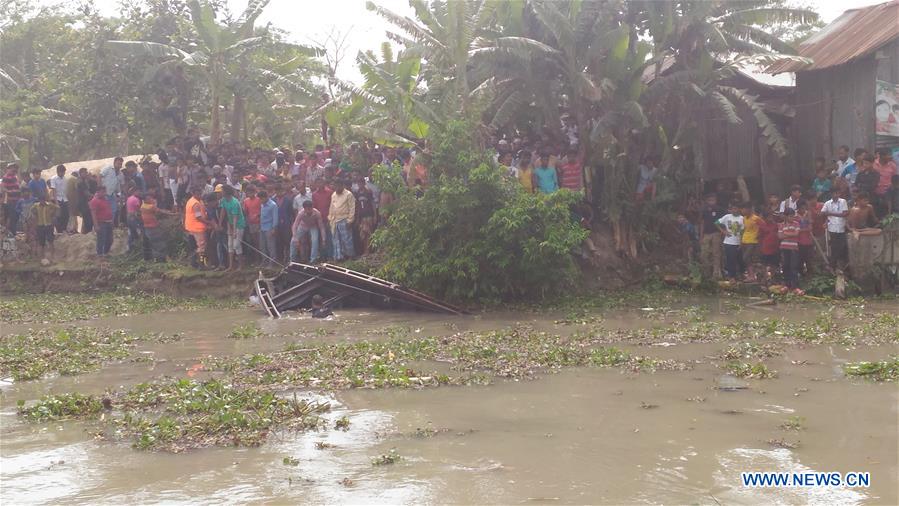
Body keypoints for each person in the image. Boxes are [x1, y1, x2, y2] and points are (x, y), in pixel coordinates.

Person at [140, 194, 176, 262]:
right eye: (149, 198)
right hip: (153, 227)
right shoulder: (150, 207)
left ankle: (149, 259)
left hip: (147, 228)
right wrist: (172, 214)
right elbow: (161, 211)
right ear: (145, 200)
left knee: (151, 244)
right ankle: (160, 259)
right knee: (159, 244)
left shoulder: (142, 206)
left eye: (151, 198)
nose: (151, 199)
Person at [184, 186, 213, 268]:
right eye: (198, 194)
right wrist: (209, 223)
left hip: (191, 227)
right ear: (193, 193)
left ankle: (194, 263)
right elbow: (199, 217)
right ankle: (201, 264)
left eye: (200, 193)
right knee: (202, 247)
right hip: (198, 228)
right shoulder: (195, 204)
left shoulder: (191, 201)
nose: (200, 195)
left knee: (194, 247)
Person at [821, 189, 849, 270]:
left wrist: (830, 213)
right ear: (831, 194)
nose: (835, 195)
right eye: (833, 193)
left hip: (841, 227)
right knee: (834, 247)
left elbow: (845, 214)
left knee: (841, 247)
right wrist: (827, 219)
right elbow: (822, 213)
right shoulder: (827, 203)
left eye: (836, 193)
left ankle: (834, 264)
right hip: (832, 228)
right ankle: (833, 265)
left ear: (839, 193)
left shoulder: (843, 201)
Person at [220, 185, 246, 271]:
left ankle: (241, 265)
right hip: (230, 224)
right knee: (230, 245)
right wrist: (220, 223)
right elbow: (223, 212)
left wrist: (234, 231)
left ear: (226, 192)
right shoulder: (223, 200)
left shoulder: (235, 202)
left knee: (236, 245)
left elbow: (235, 218)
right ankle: (231, 266)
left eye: (222, 191)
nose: (221, 192)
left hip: (239, 225)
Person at [716, 203, 744, 281]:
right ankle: (732, 276)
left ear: (739, 209)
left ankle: (741, 274)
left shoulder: (742, 218)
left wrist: (741, 242)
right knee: (730, 259)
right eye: (733, 209)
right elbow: (717, 223)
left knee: (740, 260)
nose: (734, 210)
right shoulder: (727, 217)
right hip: (728, 242)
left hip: (738, 242)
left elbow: (742, 231)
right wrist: (724, 231)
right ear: (731, 209)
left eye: (736, 208)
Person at [329, 179, 355, 261]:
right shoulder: (333, 195)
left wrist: (350, 220)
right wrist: (330, 218)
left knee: (347, 239)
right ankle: (340, 257)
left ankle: (350, 256)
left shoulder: (348, 194)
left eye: (338, 186)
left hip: (345, 219)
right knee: (337, 240)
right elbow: (331, 207)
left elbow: (352, 208)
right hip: (335, 220)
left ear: (342, 185)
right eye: (335, 186)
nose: (336, 188)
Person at [699, 193, 724, 279]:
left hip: (716, 233)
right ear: (707, 201)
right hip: (706, 234)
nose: (711, 201)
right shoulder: (704, 210)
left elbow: (723, 222)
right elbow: (702, 223)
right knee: (704, 253)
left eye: (713, 200)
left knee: (716, 253)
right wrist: (701, 236)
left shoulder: (719, 210)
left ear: (716, 200)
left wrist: (722, 232)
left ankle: (716, 273)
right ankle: (706, 273)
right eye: (709, 200)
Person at [778, 208, 802, 294]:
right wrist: (790, 234)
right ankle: (787, 285)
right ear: (785, 216)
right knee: (785, 266)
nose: (792, 218)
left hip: (793, 248)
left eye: (793, 216)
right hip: (784, 248)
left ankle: (795, 286)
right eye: (790, 216)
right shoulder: (781, 225)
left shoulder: (796, 224)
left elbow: (796, 234)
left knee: (794, 267)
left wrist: (786, 234)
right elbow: (779, 236)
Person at [31, 191, 59, 263]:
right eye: (41, 200)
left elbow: (57, 208)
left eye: (43, 200)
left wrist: (53, 215)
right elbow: (32, 211)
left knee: (51, 241)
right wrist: (35, 217)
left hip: (48, 225)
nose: (42, 201)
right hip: (40, 226)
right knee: (41, 243)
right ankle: (42, 258)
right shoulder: (36, 206)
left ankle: (52, 258)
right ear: (39, 200)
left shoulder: (49, 205)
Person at [353, 174, 376, 255]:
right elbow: (358, 206)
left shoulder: (368, 192)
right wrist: (357, 218)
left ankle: (368, 251)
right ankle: (364, 250)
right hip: (362, 217)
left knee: (368, 234)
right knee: (363, 235)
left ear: (363, 183)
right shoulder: (358, 192)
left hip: (369, 215)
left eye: (361, 183)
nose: (359, 185)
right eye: (358, 183)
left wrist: (375, 215)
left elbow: (372, 204)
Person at [89, 186, 114, 259]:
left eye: (105, 191)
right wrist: (96, 225)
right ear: (98, 192)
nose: (104, 193)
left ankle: (106, 253)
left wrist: (111, 221)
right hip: (101, 223)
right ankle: (100, 254)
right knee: (101, 239)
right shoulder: (95, 201)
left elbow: (109, 210)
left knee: (110, 239)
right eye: (103, 192)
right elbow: (93, 214)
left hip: (108, 222)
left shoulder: (105, 199)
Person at [740, 203, 762, 282]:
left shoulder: (756, 218)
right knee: (747, 259)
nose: (742, 211)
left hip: (753, 241)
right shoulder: (744, 218)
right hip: (745, 240)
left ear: (749, 209)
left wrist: (758, 236)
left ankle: (754, 275)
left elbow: (763, 227)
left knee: (746, 258)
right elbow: (744, 229)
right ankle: (751, 276)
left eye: (744, 209)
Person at [757, 210, 780, 281]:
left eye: (771, 217)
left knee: (774, 264)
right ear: (765, 218)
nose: (770, 218)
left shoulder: (776, 225)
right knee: (764, 263)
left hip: (775, 248)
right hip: (765, 248)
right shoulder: (762, 226)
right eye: (768, 217)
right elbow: (760, 237)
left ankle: (772, 278)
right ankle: (765, 277)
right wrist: (759, 248)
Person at [873, 148, 897, 214]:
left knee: (887, 211)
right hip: (875, 192)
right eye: (888, 155)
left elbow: (895, 179)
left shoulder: (893, 165)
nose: (890, 157)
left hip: (888, 193)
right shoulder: (873, 164)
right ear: (882, 156)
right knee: (876, 211)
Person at [259, 190, 279, 268]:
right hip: (262, 227)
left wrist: (274, 228)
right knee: (262, 246)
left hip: (269, 228)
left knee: (271, 246)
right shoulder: (262, 205)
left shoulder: (273, 205)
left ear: (266, 197)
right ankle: (264, 261)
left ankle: (272, 262)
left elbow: (275, 218)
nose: (260, 201)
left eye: (261, 199)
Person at [242, 186, 262, 264]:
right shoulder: (246, 201)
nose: (250, 194)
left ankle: (261, 259)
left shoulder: (259, 200)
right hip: (251, 224)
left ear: (254, 192)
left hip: (259, 223)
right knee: (254, 242)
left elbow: (262, 210)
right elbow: (245, 212)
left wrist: (257, 215)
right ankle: (256, 259)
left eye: (251, 192)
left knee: (260, 242)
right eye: (248, 192)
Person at [47, 164, 69, 234]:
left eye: (63, 172)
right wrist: (56, 203)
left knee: (66, 215)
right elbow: (54, 190)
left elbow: (66, 190)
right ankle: (59, 231)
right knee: (59, 216)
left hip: (65, 199)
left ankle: (64, 229)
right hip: (57, 199)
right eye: (61, 172)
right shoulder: (53, 179)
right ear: (58, 172)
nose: (63, 173)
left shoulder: (65, 179)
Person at [2, 165, 22, 236]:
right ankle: (12, 232)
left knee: (16, 216)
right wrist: (10, 191)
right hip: (10, 200)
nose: (14, 170)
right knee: (12, 216)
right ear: (8, 169)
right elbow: (3, 188)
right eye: (12, 168)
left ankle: (13, 231)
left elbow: (19, 185)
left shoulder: (15, 177)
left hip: (17, 200)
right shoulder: (6, 177)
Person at [795, 201, 814, 275]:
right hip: (799, 241)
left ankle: (810, 274)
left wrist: (802, 229)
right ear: (798, 208)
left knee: (809, 258)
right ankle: (801, 273)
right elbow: (796, 229)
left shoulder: (808, 213)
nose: (803, 210)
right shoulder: (795, 215)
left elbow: (810, 227)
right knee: (800, 258)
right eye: (801, 208)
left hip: (808, 240)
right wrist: (805, 229)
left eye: (804, 208)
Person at [76, 168, 95, 233]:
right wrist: (95, 196)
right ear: (80, 173)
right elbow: (86, 193)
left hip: (85, 203)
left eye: (86, 172)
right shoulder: (80, 182)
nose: (86, 174)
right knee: (88, 221)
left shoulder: (84, 181)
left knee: (88, 220)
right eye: (84, 173)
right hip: (83, 204)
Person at [125, 187, 144, 253]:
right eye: (138, 191)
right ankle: (141, 247)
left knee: (131, 233)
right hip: (134, 218)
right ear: (134, 192)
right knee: (139, 231)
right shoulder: (136, 199)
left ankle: (129, 247)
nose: (139, 193)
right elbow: (138, 210)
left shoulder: (129, 198)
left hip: (128, 217)